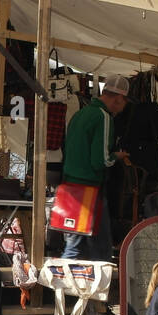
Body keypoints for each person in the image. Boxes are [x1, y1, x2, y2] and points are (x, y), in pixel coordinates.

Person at [61, 73, 130, 260]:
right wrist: (117, 156)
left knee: (76, 243)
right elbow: (100, 160)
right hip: (89, 189)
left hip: (70, 185)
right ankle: (93, 286)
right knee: (97, 248)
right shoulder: (103, 117)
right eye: (124, 102)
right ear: (118, 99)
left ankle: (65, 286)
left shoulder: (80, 114)